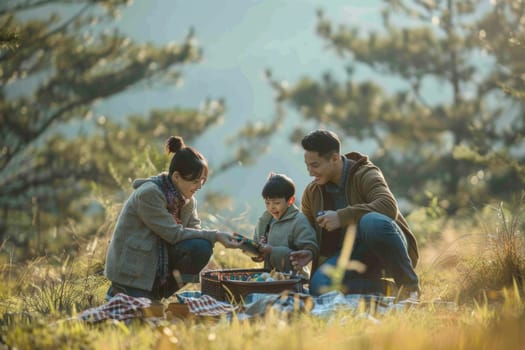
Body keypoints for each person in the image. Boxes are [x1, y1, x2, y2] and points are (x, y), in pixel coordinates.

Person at [104, 135, 242, 301]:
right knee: (137, 311)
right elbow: (174, 234)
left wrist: (214, 239)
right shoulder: (150, 194)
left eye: (202, 181)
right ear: (176, 177)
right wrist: (216, 235)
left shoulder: (187, 200)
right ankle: (121, 290)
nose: (198, 187)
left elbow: (195, 231)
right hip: (135, 267)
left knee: (201, 247)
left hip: (156, 262)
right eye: (195, 181)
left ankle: (157, 295)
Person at [289, 129, 420, 298]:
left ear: (335, 158)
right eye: (307, 165)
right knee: (319, 286)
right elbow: (307, 232)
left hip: (387, 248)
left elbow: (388, 206)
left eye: (315, 165)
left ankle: (410, 288)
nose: (310, 172)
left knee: (371, 221)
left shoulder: (365, 173)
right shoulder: (312, 193)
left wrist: (341, 217)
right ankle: (388, 290)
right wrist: (309, 251)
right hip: (349, 258)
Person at [250, 173, 319, 278]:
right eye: (267, 203)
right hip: (270, 276)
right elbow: (257, 243)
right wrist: (256, 254)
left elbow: (309, 249)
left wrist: (272, 251)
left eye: (276, 203)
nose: (271, 208)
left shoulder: (299, 221)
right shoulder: (265, 221)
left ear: (290, 200)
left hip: (294, 278)